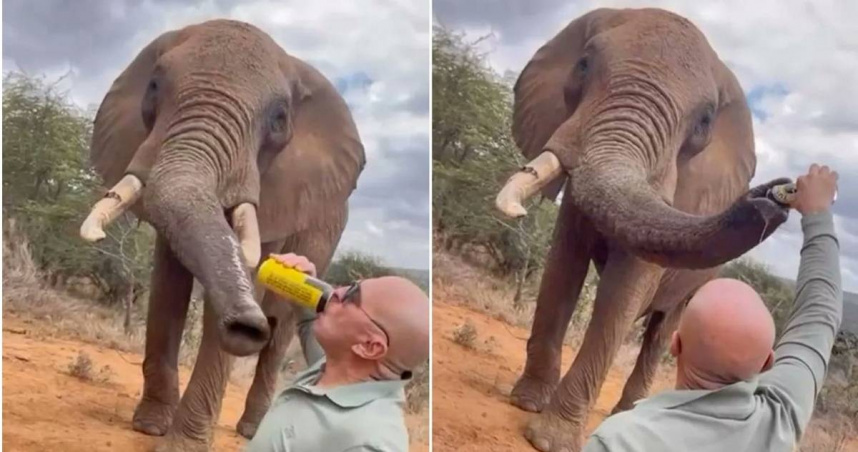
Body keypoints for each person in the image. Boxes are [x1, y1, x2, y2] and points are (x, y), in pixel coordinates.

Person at [583, 164, 842, 452]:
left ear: (675, 343)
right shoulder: (779, 419)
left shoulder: (619, 441)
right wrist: (818, 215)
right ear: (768, 363)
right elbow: (820, 313)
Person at [245, 253, 430, 452]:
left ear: (369, 346)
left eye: (351, 297)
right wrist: (305, 286)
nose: (336, 291)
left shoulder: (371, 441)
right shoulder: (336, 370)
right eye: (349, 285)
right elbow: (308, 322)